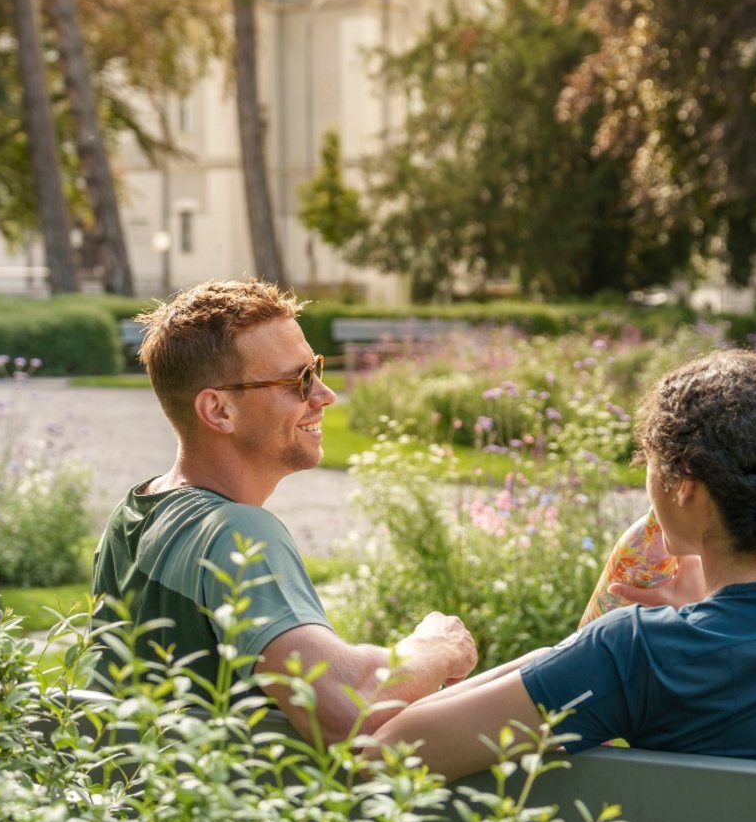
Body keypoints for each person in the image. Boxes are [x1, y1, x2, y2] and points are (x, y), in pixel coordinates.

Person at [374, 350, 756, 780]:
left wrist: (441, 647)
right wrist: (709, 619)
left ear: (686, 488)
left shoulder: (634, 655)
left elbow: (383, 757)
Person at [90, 279, 478, 742]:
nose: (325, 395)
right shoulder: (235, 533)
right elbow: (346, 707)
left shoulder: (134, 515)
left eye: (315, 369)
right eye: (299, 381)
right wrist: (436, 648)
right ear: (218, 411)